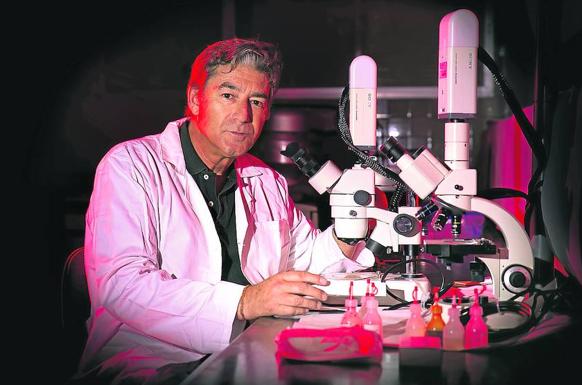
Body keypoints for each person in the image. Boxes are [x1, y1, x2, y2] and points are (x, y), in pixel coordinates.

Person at [72, 38, 374, 384]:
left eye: (256, 101)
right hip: (147, 362)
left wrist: (351, 230)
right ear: (196, 99)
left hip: (247, 352)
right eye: (228, 96)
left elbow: (305, 262)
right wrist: (245, 302)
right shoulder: (130, 165)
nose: (243, 115)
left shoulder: (266, 179)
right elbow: (122, 284)